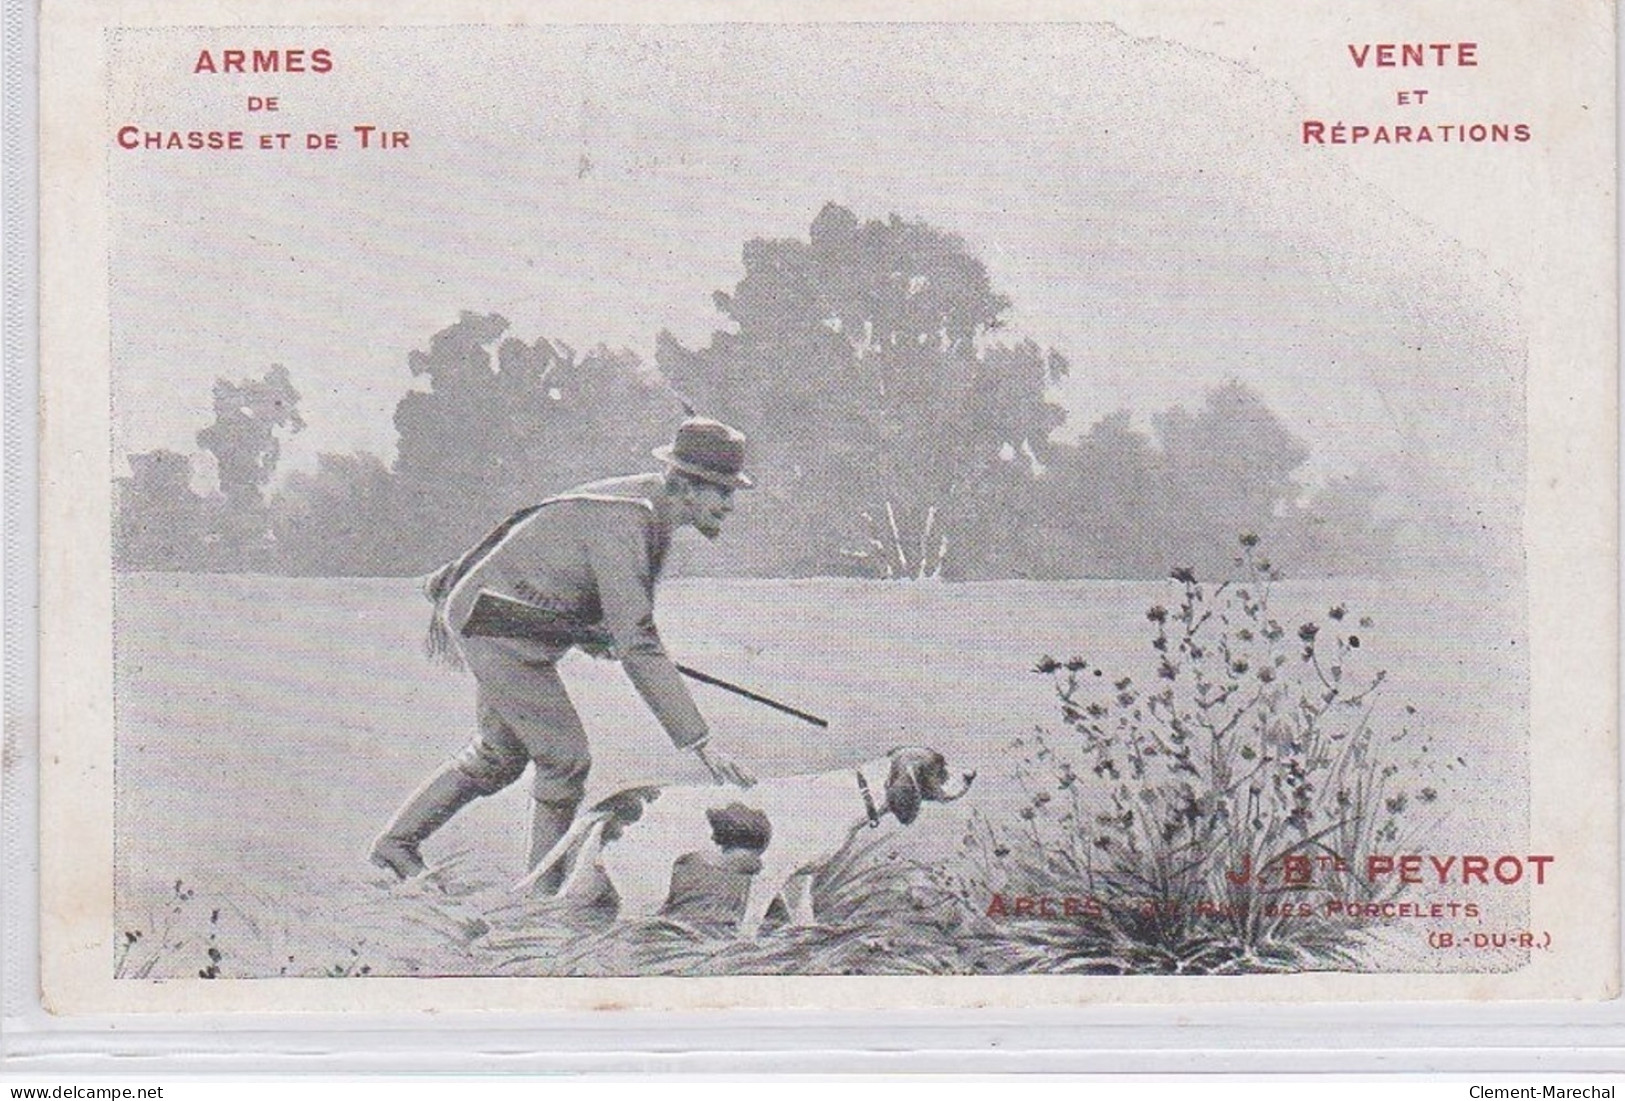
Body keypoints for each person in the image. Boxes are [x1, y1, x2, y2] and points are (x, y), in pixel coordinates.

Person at [370, 417, 757, 886]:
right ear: (686, 486)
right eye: (723, 491)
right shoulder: (627, 519)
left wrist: (600, 636)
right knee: (565, 759)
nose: (731, 505)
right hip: (495, 623)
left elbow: (582, 591)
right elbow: (638, 639)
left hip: (505, 619)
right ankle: (540, 894)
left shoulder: (649, 514)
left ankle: (395, 846)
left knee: (499, 756)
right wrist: (699, 741)